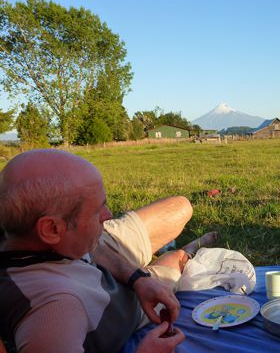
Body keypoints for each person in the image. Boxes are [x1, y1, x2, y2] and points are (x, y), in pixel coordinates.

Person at [0, 149, 217, 353]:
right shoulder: (55, 309)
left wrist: (137, 278)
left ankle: (150, 263)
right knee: (175, 260)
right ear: (52, 228)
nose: (109, 214)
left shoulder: (26, 238)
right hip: (129, 304)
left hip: (93, 244)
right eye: (97, 210)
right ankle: (188, 252)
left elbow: (91, 244)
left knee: (180, 207)